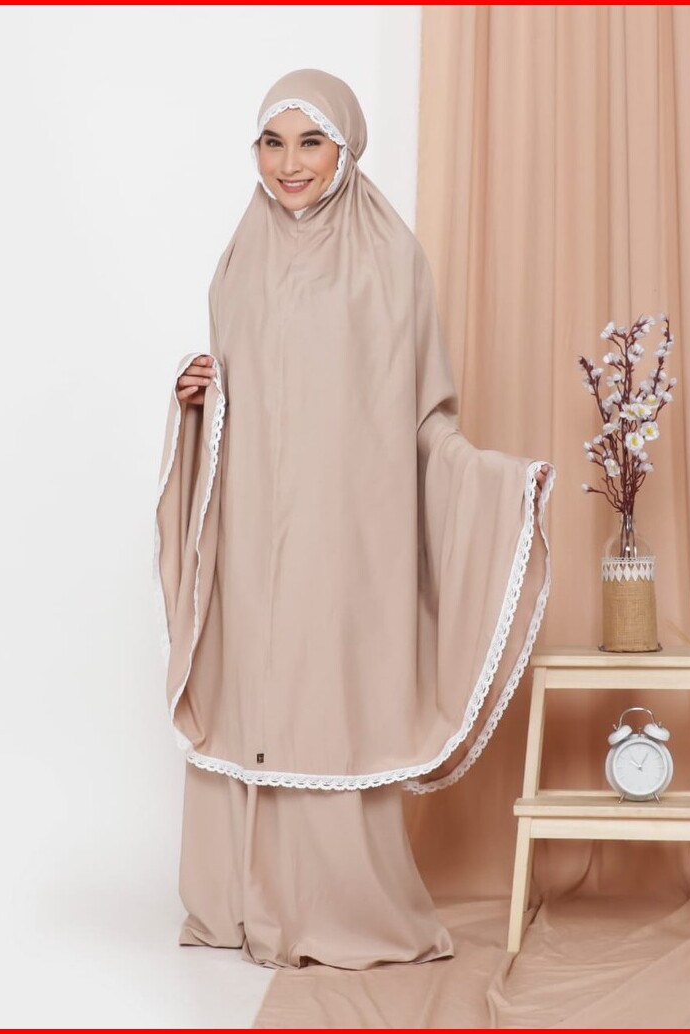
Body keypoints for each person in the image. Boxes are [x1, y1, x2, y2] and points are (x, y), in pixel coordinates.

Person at [154, 69, 555, 970]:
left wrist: (494, 482)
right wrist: (196, 397)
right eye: (272, 143)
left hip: (345, 534)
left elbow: (423, 414)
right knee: (253, 691)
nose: (289, 164)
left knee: (328, 696)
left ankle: (336, 904)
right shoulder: (240, 257)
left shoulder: (390, 258)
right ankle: (239, 900)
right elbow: (242, 384)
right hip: (252, 533)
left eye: (311, 142)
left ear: (347, 148)